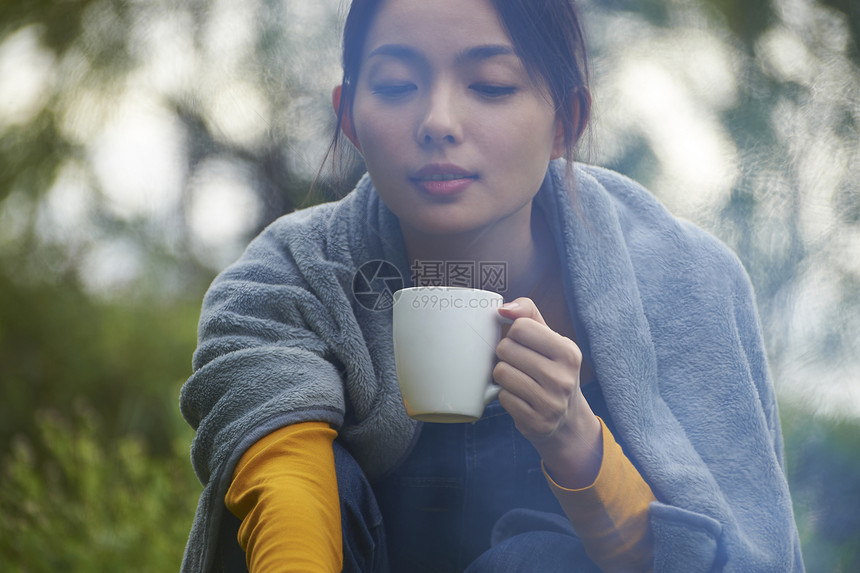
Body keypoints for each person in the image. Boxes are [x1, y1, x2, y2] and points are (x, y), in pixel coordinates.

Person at [179, 0, 805, 571]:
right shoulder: (295, 274)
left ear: (566, 119)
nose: (438, 122)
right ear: (349, 119)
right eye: (397, 86)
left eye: (491, 86)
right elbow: (288, 494)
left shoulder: (684, 279)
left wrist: (579, 446)